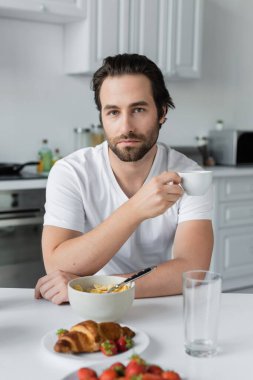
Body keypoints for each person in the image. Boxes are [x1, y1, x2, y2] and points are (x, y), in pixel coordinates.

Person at [35, 53, 213, 305]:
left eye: (138, 109)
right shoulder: (70, 172)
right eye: (113, 112)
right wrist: (136, 209)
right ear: (102, 117)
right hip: (89, 309)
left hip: (159, 303)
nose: (125, 126)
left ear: (161, 112)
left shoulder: (190, 175)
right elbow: (56, 265)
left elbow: (193, 269)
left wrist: (96, 288)